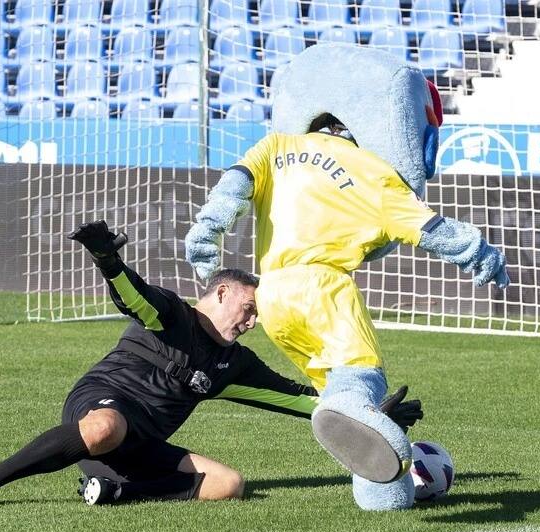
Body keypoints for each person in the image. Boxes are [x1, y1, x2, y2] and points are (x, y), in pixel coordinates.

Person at [0, 221, 421, 508]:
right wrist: (107, 259)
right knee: (104, 429)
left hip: (140, 444)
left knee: (229, 484)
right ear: (222, 291)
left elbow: (304, 403)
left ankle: (117, 491)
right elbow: (132, 297)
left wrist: (369, 416)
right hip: (99, 407)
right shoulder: (174, 315)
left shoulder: (235, 365)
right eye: (251, 308)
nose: (253, 321)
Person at [185, 110, 509, 509]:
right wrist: (479, 252)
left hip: (271, 297)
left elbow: (233, 187)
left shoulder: (276, 146)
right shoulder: (372, 169)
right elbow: (429, 228)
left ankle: (381, 492)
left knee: (332, 389)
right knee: (361, 374)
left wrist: (205, 233)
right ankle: (365, 415)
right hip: (323, 286)